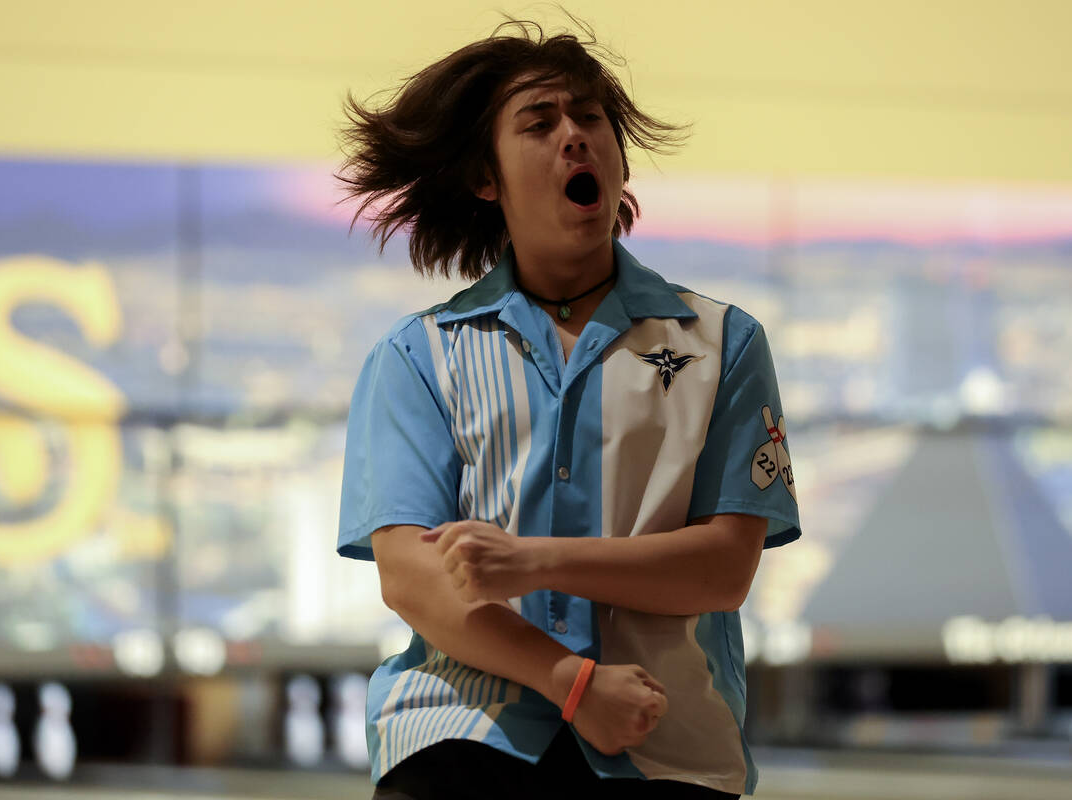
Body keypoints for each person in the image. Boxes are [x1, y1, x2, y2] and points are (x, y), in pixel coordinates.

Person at [334, 14, 800, 800]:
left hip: (667, 742)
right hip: (460, 732)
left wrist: (535, 559)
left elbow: (725, 566)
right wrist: (572, 684)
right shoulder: (419, 356)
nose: (574, 136)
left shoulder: (723, 343)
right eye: (540, 123)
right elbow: (412, 577)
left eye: (590, 118)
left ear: (619, 158)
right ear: (488, 178)